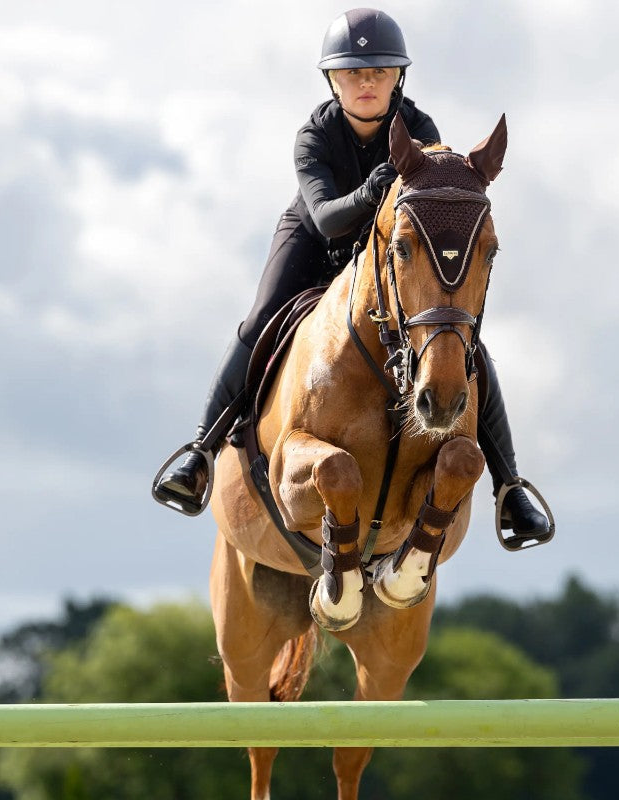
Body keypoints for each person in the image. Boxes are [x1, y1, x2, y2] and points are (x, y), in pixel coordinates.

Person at [154, 8, 548, 539]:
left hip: (388, 257)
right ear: (332, 80)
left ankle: (509, 488)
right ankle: (200, 453)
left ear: (397, 78)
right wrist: (373, 190)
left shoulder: (420, 129)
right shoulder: (314, 137)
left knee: (460, 335)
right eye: (352, 73)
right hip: (317, 239)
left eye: (379, 72)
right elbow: (326, 218)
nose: (366, 82)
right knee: (262, 317)